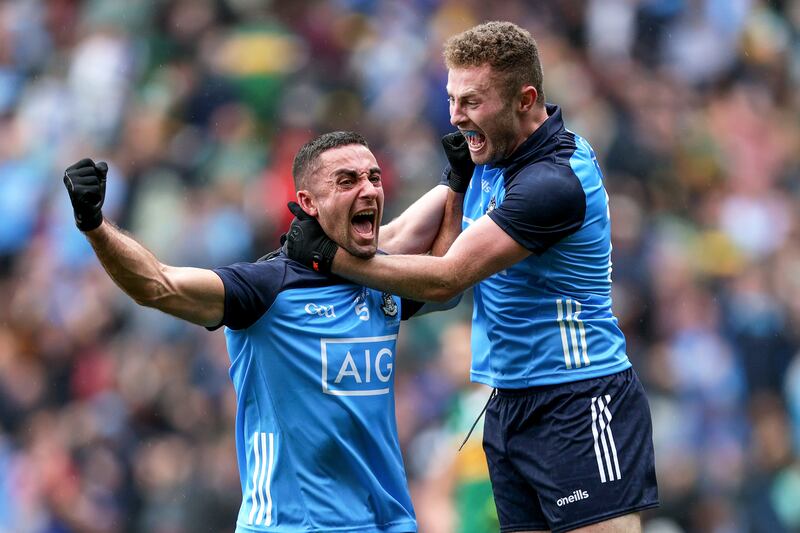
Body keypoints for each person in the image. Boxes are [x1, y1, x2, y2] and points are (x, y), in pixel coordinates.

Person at [284, 21, 659, 533]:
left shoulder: (554, 181)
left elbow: (447, 278)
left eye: (472, 102)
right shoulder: (491, 154)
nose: (456, 117)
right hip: (507, 403)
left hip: (578, 399)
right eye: (452, 98)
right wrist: (278, 271)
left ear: (525, 99)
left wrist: (330, 258)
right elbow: (392, 241)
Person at [61, 130, 464, 533]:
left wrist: (459, 180)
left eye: (373, 178)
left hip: (389, 524)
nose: (368, 190)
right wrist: (94, 224)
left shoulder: (383, 280)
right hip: (289, 526)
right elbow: (157, 284)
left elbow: (443, 276)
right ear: (307, 202)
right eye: (347, 181)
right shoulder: (267, 287)